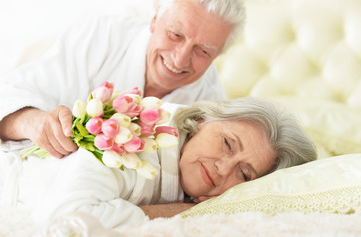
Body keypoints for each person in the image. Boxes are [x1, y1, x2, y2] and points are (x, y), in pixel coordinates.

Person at [0, 97, 317, 229]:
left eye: (244, 173)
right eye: (227, 143)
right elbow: (64, 222)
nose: (223, 168)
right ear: (201, 120)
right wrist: (160, 213)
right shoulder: (131, 137)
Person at [0, 0, 245, 158]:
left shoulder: (211, 103)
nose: (180, 60)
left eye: (202, 51)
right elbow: (9, 93)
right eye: (175, 34)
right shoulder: (100, 36)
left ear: (218, 55)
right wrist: (31, 122)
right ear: (155, 20)